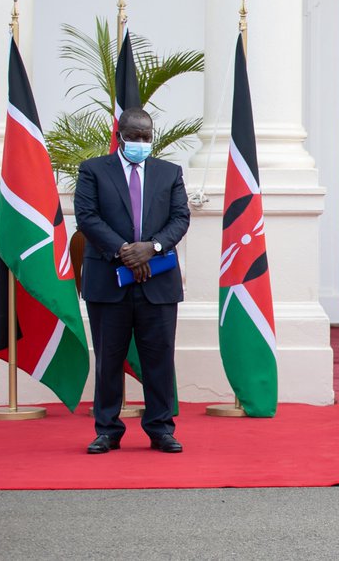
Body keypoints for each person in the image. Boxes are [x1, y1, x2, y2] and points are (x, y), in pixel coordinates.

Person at [74, 108, 191, 454]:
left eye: (146, 136)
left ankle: (160, 428)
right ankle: (107, 430)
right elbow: (87, 217)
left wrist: (151, 248)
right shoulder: (93, 170)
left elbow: (180, 217)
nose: (141, 142)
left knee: (159, 358)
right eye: (134, 136)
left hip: (157, 283)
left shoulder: (169, 173)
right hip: (109, 281)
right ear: (120, 135)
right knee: (109, 359)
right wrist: (125, 251)